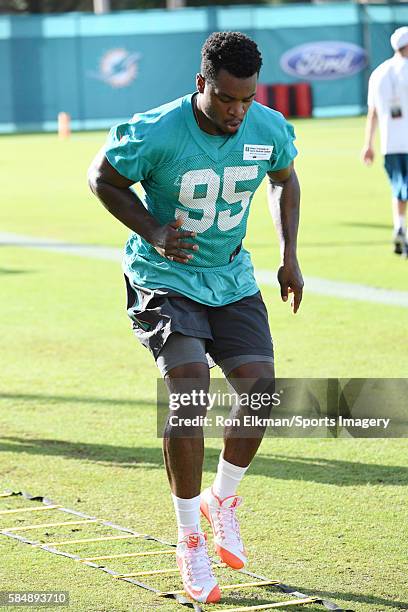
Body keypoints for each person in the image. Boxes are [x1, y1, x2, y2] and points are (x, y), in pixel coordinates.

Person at [88, 31, 303, 604]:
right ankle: (188, 535)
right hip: (164, 278)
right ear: (200, 83)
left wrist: (289, 257)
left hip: (230, 276)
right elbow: (102, 178)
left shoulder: (268, 126)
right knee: (188, 389)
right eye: (226, 98)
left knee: (261, 390)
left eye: (246, 98)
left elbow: (286, 183)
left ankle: (222, 498)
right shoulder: (155, 130)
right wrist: (153, 231)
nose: (237, 111)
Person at [362, 26, 408, 257]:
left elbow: (373, 113)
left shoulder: (378, 73)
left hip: (390, 144)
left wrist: (368, 144)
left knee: (399, 189)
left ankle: (400, 226)